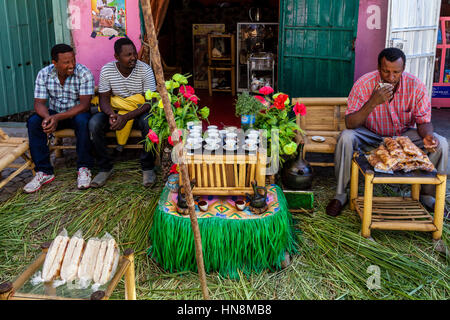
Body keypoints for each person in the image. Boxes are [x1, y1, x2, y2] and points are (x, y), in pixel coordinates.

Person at [326, 47, 448, 217]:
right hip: (370, 134)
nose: (391, 77)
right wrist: (373, 102)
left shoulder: (415, 86)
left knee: (441, 143)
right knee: (346, 137)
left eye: (396, 72)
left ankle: (427, 195)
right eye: (386, 71)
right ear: (379, 67)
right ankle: (340, 195)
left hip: (403, 137)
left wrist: (428, 135)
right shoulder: (364, 84)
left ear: (403, 70)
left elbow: (423, 121)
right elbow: (350, 123)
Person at [24, 44, 95, 193]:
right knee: (34, 122)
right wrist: (47, 117)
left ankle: (84, 168)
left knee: (83, 121)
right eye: (66, 62)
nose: (72, 65)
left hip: (76, 113)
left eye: (73, 60)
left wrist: (56, 117)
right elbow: (39, 103)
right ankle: (44, 172)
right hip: (54, 113)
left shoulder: (84, 73)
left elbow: (84, 105)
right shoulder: (44, 74)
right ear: (54, 63)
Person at [89, 38, 157, 188]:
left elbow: (150, 102)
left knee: (149, 122)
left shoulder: (144, 69)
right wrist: (112, 115)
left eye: (134, 53)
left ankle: (148, 167)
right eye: (128, 55)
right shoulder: (107, 70)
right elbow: (104, 99)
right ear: (117, 57)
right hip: (115, 109)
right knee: (94, 124)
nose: (133, 57)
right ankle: (105, 167)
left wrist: (126, 117)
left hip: (138, 110)